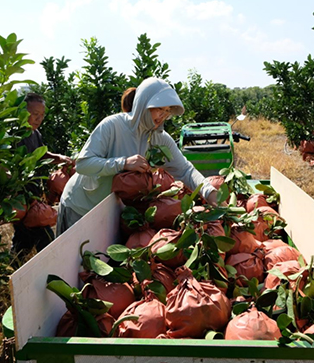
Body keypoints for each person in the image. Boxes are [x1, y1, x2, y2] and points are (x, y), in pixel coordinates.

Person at [57, 78, 219, 235]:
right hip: (80, 206)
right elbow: (83, 164)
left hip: (108, 211)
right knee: (69, 260)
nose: (163, 115)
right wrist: (123, 163)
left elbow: (185, 170)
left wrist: (209, 192)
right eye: (159, 109)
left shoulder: (160, 139)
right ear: (143, 104)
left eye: (167, 111)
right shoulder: (113, 126)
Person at [11, 93, 73, 263]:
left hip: (33, 195)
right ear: (23, 112)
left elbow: (41, 154)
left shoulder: (35, 133)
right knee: (43, 235)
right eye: (35, 114)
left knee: (25, 238)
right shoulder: (14, 135)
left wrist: (59, 157)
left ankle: (12, 267)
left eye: (42, 114)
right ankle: (50, 268)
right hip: (21, 197)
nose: (39, 118)